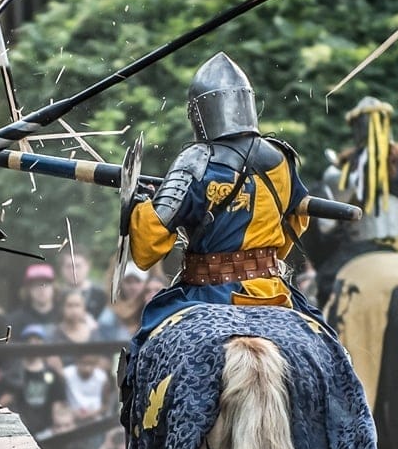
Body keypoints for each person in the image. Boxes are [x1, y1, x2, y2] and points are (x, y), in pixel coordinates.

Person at [124, 53, 326, 369]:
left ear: (199, 113)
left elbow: (146, 250)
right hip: (272, 293)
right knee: (329, 351)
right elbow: (295, 222)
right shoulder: (281, 159)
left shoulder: (194, 162)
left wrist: (138, 205)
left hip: (205, 297)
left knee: (143, 352)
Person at [314, 95, 398, 305]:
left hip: (357, 250)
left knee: (322, 289)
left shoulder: (341, 172)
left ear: (355, 127)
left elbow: (326, 227)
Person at [0, 324, 67, 435]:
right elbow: (7, 397)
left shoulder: (51, 372)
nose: (33, 344)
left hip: (46, 429)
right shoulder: (14, 373)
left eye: (37, 340)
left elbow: (58, 401)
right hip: (19, 428)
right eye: (29, 340)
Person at [5, 263, 59, 337]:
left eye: (45, 284)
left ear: (54, 287)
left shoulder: (64, 316)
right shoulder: (14, 321)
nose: (41, 289)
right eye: (36, 284)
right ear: (28, 289)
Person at [56, 252, 108, 319]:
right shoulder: (56, 296)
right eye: (69, 266)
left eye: (78, 266)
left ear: (88, 266)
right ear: (61, 268)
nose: (73, 271)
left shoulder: (102, 294)